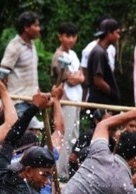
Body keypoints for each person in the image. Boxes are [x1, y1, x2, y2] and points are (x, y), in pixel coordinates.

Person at [52, 22, 84, 179]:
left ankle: (64, 169)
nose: (70, 39)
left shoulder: (73, 55)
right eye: (67, 36)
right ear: (60, 37)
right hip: (65, 100)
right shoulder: (59, 56)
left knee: (73, 135)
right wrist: (77, 77)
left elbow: (81, 76)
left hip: (76, 100)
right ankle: (59, 171)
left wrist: (76, 77)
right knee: (64, 135)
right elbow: (69, 79)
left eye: (73, 36)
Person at [1, 11, 41, 116]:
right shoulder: (15, 46)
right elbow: (3, 73)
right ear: (26, 28)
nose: (39, 29)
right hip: (18, 101)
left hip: (31, 101)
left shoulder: (32, 45)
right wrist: (2, 100)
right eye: (36, 25)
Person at [86, 18, 121, 105]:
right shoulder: (99, 53)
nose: (118, 37)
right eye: (117, 33)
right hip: (99, 101)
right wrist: (113, 94)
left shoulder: (102, 51)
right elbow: (98, 81)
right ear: (109, 33)